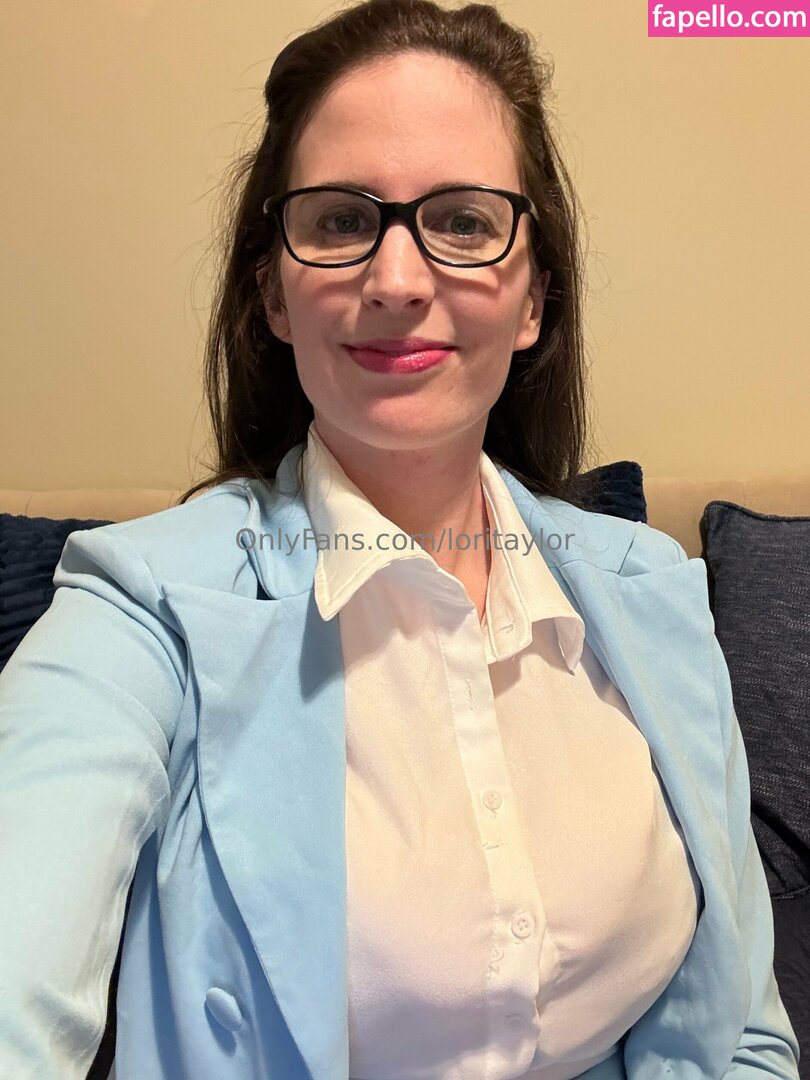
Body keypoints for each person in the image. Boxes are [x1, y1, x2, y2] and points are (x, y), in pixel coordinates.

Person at [0, 1, 801, 1078]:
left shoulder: (652, 590)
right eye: (340, 221)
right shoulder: (141, 609)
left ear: (534, 300)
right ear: (272, 296)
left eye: (463, 221)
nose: (397, 279)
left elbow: (743, 1031)